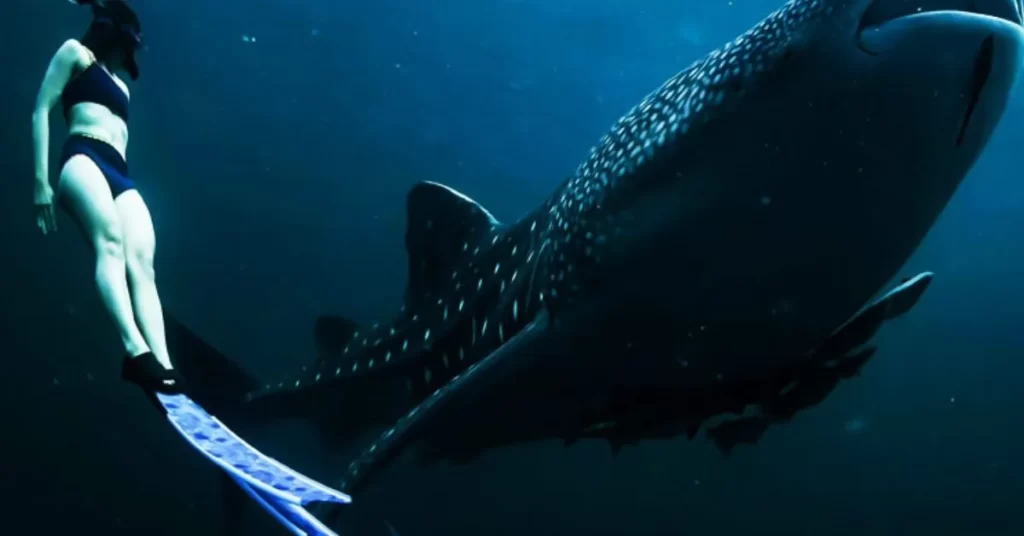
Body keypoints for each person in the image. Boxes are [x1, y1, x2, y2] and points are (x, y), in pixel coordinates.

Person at [32, 0, 183, 401]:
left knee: (143, 263)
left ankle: (163, 364)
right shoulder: (74, 54)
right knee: (110, 244)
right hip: (82, 156)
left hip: (120, 171)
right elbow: (40, 111)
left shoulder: (122, 87)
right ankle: (135, 350)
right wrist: (40, 182)